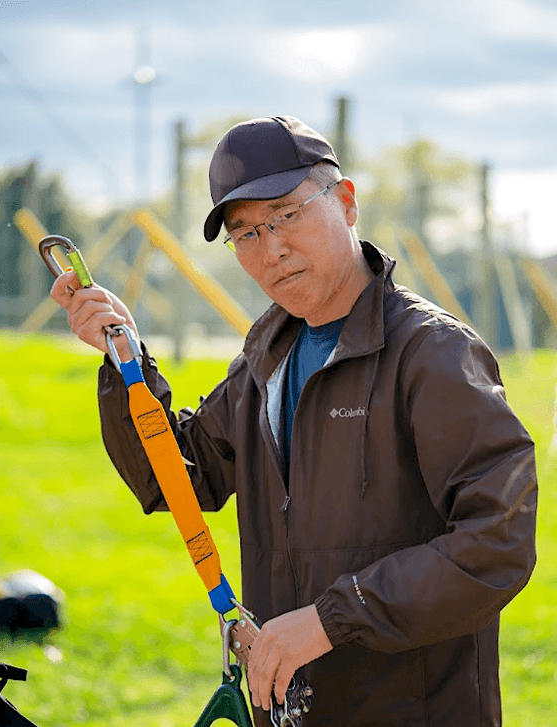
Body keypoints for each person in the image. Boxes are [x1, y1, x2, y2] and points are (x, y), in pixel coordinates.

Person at [50, 116, 537, 727]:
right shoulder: (262, 362)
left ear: (347, 202)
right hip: (289, 710)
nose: (271, 248)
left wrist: (332, 619)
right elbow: (177, 479)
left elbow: (498, 541)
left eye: (286, 215)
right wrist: (124, 359)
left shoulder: (433, 353)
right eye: (246, 233)